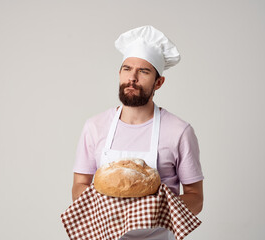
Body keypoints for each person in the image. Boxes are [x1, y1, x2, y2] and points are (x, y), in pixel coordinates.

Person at [71, 26, 204, 239]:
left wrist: (156, 208)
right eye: (127, 68)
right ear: (119, 73)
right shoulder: (94, 126)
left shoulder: (179, 131)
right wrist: (102, 204)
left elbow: (196, 198)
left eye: (143, 71)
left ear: (158, 82)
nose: (132, 78)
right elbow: (79, 185)